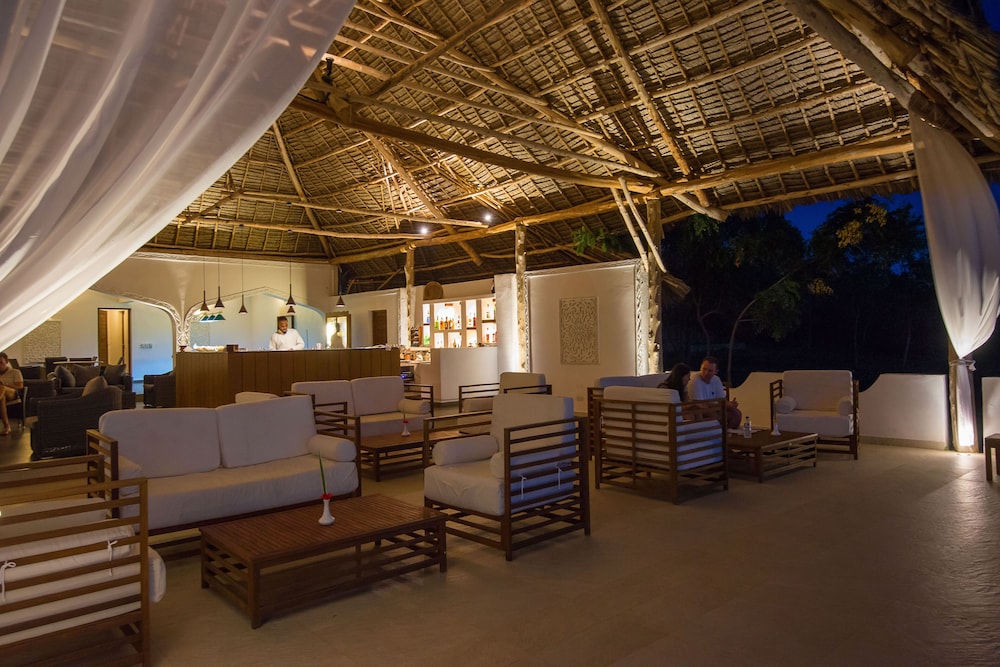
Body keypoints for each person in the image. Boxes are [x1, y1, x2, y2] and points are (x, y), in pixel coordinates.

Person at [687, 355, 742, 428]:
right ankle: (722, 431)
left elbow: (721, 400)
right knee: (715, 414)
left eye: (710, 371)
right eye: (704, 369)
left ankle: (728, 431)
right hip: (701, 409)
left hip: (715, 407)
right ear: (700, 368)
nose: (706, 373)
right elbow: (700, 404)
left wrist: (730, 404)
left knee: (737, 413)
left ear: (716, 371)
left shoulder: (716, 380)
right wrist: (724, 405)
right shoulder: (695, 381)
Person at [0, 352, 24, 435]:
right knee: (2, 398)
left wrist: (5, 385)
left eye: (0, 363)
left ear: (6, 361)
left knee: (2, 387)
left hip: (13, 393)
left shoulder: (15, 372)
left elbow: (20, 386)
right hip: (2, 395)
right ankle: (7, 426)